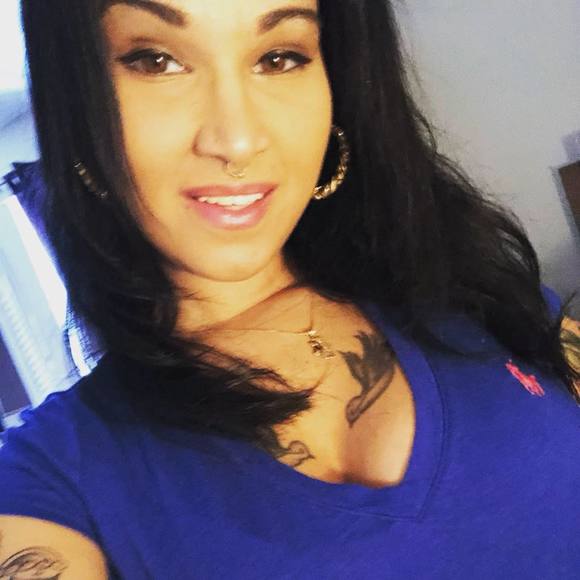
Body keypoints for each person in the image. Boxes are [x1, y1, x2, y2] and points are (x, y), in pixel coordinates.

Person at [0, 0, 579, 578]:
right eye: (156, 61)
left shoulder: (480, 296)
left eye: (279, 58)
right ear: (76, 104)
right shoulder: (49, 478)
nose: (237, 140)